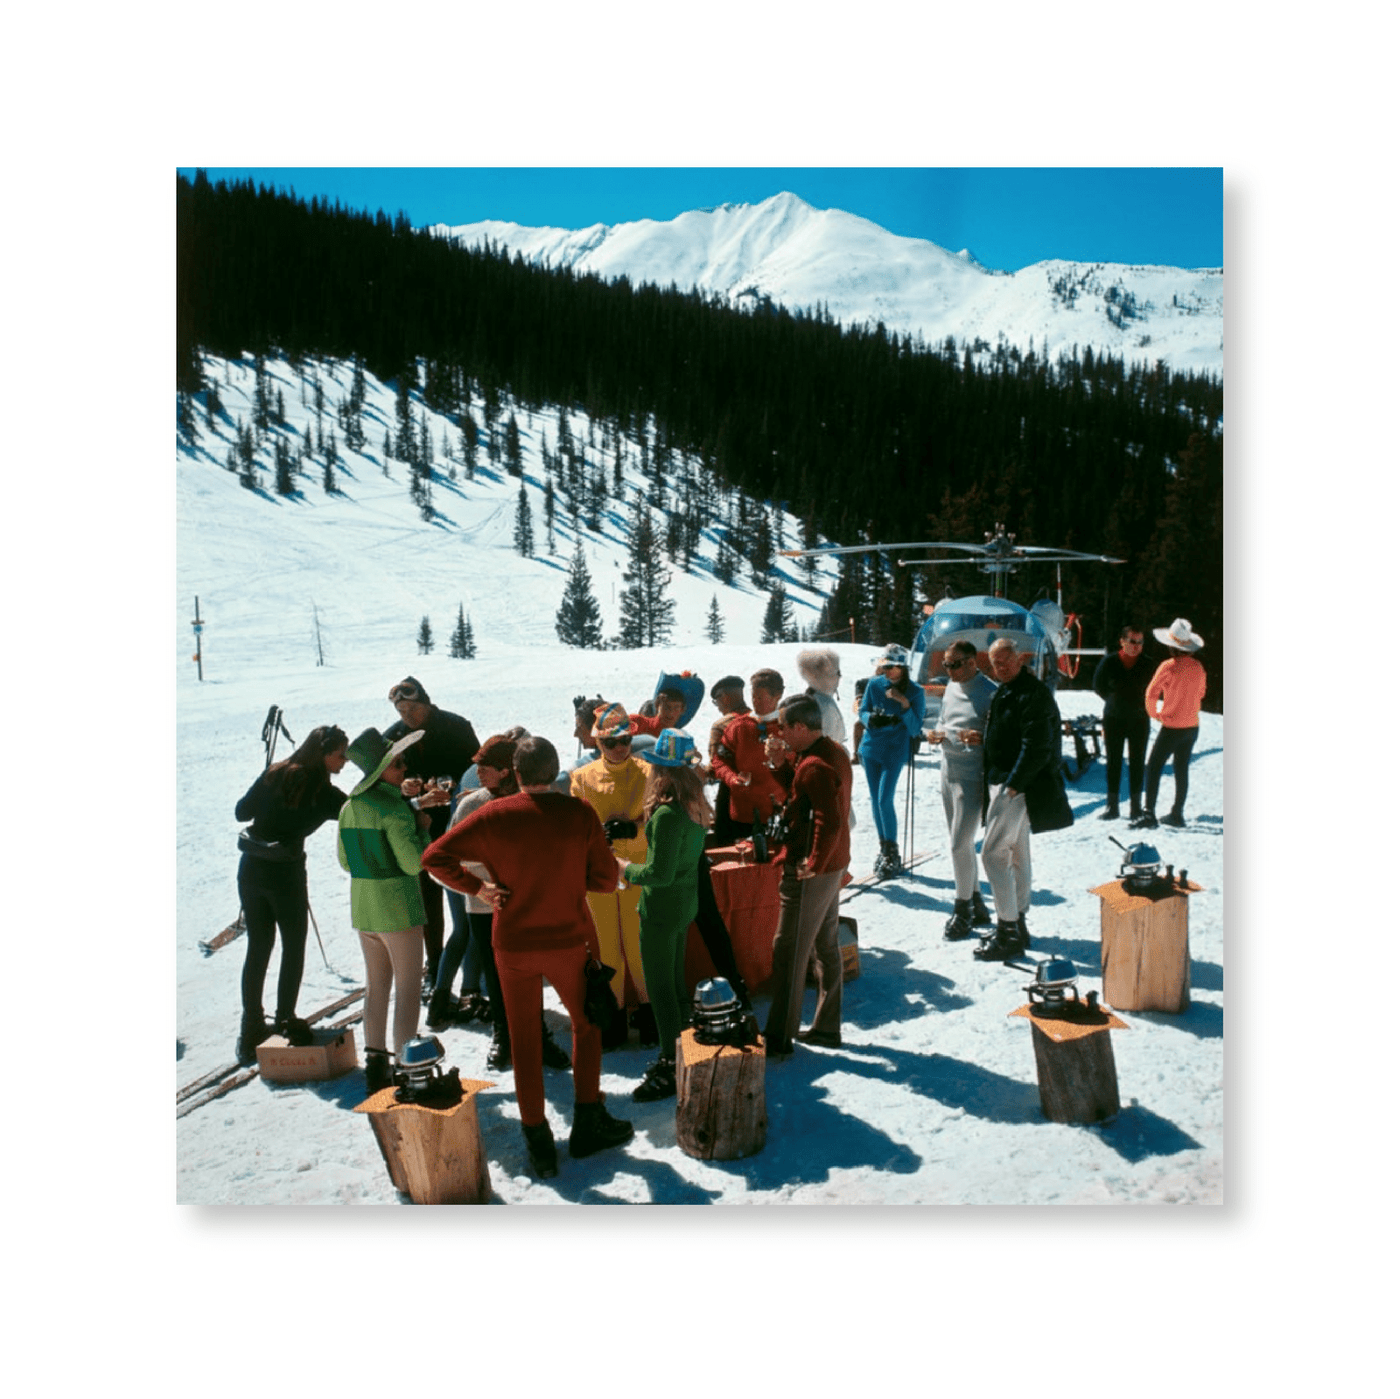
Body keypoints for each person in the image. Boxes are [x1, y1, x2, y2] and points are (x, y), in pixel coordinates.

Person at [421, 737, 634, 1178]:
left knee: (523, 1041)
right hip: (569, 941)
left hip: (513, 944)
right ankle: (587, 1121)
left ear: (515, 774)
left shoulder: (494, 815)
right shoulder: (577, 814)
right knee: (586, 1025)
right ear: (555, 772)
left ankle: (537, 1139)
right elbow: (601, 878)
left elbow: (434, 856)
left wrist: (478, 888)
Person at [425, 734, 569, 1075]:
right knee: (497, 976)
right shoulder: (471, 805)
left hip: (528, 908)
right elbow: (445, 857)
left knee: (530, 975)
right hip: (484, 910)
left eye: (484, 767)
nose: (477, 773)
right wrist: (481, 884)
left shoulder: (530, 801)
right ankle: (504, 1036)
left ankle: (539, 1037)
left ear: (506, 771)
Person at [232, 724, 349, 1062]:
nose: (343, 761)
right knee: (293, 945)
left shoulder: (276, 771)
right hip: (285, 873)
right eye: (340, 754)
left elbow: (242, 812)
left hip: (251, 869)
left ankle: (250, 1028)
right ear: (323, 754)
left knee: (258, 946)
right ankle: (285, 1018)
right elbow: (356, 812)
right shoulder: (322, 791)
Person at [618, 730, 713, 1102]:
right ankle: (684, 1047)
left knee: (660, 990)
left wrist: (624, 868)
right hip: (684, 905)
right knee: (675, 984)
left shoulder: (666, 816)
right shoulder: (695, 808)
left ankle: (669, 1061)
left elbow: (659, 873)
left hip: (660, 910)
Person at [337, 727, 434, 1091]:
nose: (404, 767)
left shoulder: (350, 806)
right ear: (379, 771)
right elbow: (413, 864)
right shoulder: (395, 809)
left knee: (376, 986)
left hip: (365, 907)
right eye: (397, 764)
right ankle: (409, 1066)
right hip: (399, 909)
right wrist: (422, 829)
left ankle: (375, 1062)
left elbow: (346, 862)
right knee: (408, 987)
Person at [761, 695, 853, 1055]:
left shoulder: (814, 764)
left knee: (788, 951)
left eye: (783, 726)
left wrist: (812, 862)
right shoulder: (829, 752)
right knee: (825, 946)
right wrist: (779, 764)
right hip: (832, 865)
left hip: (811, 870)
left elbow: (826, 820)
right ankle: (826, 1027)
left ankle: (779, 1038)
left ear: (800, 727)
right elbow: (806, 797)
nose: (779, 732)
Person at [974, 639, 1074, 963]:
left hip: (1016, 786)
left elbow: (1038, 745)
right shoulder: (1008, 689)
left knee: (991, 854)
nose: (1000, 667)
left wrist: (1014, 785)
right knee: (1017, 854)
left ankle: (1007, 929)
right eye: (995, 663)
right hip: (1005, 781)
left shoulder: (1033, 693)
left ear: (1020, 658)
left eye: (1006, 661)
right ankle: (1018, 922)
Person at [382, 676, 478, 992]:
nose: (407, 716)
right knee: (427, 904)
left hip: (457, 824)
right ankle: (435, 966)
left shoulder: (456, 726)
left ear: (425, 702)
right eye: (401, 711)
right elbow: (381, 785)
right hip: (418, 827)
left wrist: (451, 785)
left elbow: (477, 771)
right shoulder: (393, 738)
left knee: (467, 900)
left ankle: (471, 969)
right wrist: (403, 788)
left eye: (412, 708)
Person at [570, 703, 653, 1047]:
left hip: (637, 868)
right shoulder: (582, 778)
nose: (620, 748)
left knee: (638, 944)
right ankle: (613, 1016)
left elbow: (657, 820)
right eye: (611, 743)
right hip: (600, 873)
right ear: (597, 744)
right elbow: (577, 825)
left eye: (626, 740)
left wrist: (633, 828)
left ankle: (650, 1015)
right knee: (605, 946)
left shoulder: (649, 772)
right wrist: (595, 835)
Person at [928, 643, 995, 939]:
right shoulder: (953, 687)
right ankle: (977, 900)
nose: (950, 671)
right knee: (960, 842)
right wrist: (936, 731)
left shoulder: (989, 692)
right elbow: (944, 719)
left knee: (959, 843)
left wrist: (982, 738)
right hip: (949, 769)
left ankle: (962, 907)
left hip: (973, 775)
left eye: (955, 665)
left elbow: (1002, 735)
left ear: (972, 662)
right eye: (946, 665)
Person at [858, 644, 926, 877]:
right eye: (884, 666)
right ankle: (884, 849)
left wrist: (904, 704)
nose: (886, 671)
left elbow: (916, 728)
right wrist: (870, 719)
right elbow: (862, 710)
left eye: (890, 667)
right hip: (870, 748)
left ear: (902, 667)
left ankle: (892, 850)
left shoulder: (915, 691)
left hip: (894, 751)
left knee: (884, 799)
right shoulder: (874, 684)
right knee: (876, 801)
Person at [1135, 618, 1208, 830]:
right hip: (1192, 726)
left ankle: (1149, 813)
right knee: (1181, 768)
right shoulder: (1198, 667)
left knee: (1154, 766)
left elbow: (1151, 693)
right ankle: (1177, 813)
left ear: (1171, 647)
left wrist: (1155, 714)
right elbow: (1202, 692)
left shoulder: (1168, 666)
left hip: (1172, 727)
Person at [711, 669, 789, 856]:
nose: (755, 702)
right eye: (753, 697)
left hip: (779, 814)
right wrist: (732, 779)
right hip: (742, 816)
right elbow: (719, 760)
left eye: (761, 698)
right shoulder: (739, 726)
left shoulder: (788, 726)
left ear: (778, 696)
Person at [1093, 626, 1152, 822]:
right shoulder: (1109, 662)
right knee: (1113, 762)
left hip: (1139, 720)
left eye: (1140, 642)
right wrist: (1113, 701)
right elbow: (1098, 685)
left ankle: (1136, 808)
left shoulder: (1147, 664)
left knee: (1137, 762)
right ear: (1122, 641)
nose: (1136, 646)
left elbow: (1155, 689)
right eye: (1133, 641)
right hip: (1114, 719)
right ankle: (1112, 806)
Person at [705, 675, 751, 845]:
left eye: (716, 703)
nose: (718, 708)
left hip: (732, 798)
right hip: (762, 797)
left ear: (723, 697)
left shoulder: (721, 725)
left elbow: (716, 766)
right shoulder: (759, 720)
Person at [797, 647, 848, 745]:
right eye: (838, 672)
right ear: (826, 676)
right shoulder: (826, 705)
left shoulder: (807, 698)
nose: (840, 676)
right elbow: (829, 741)